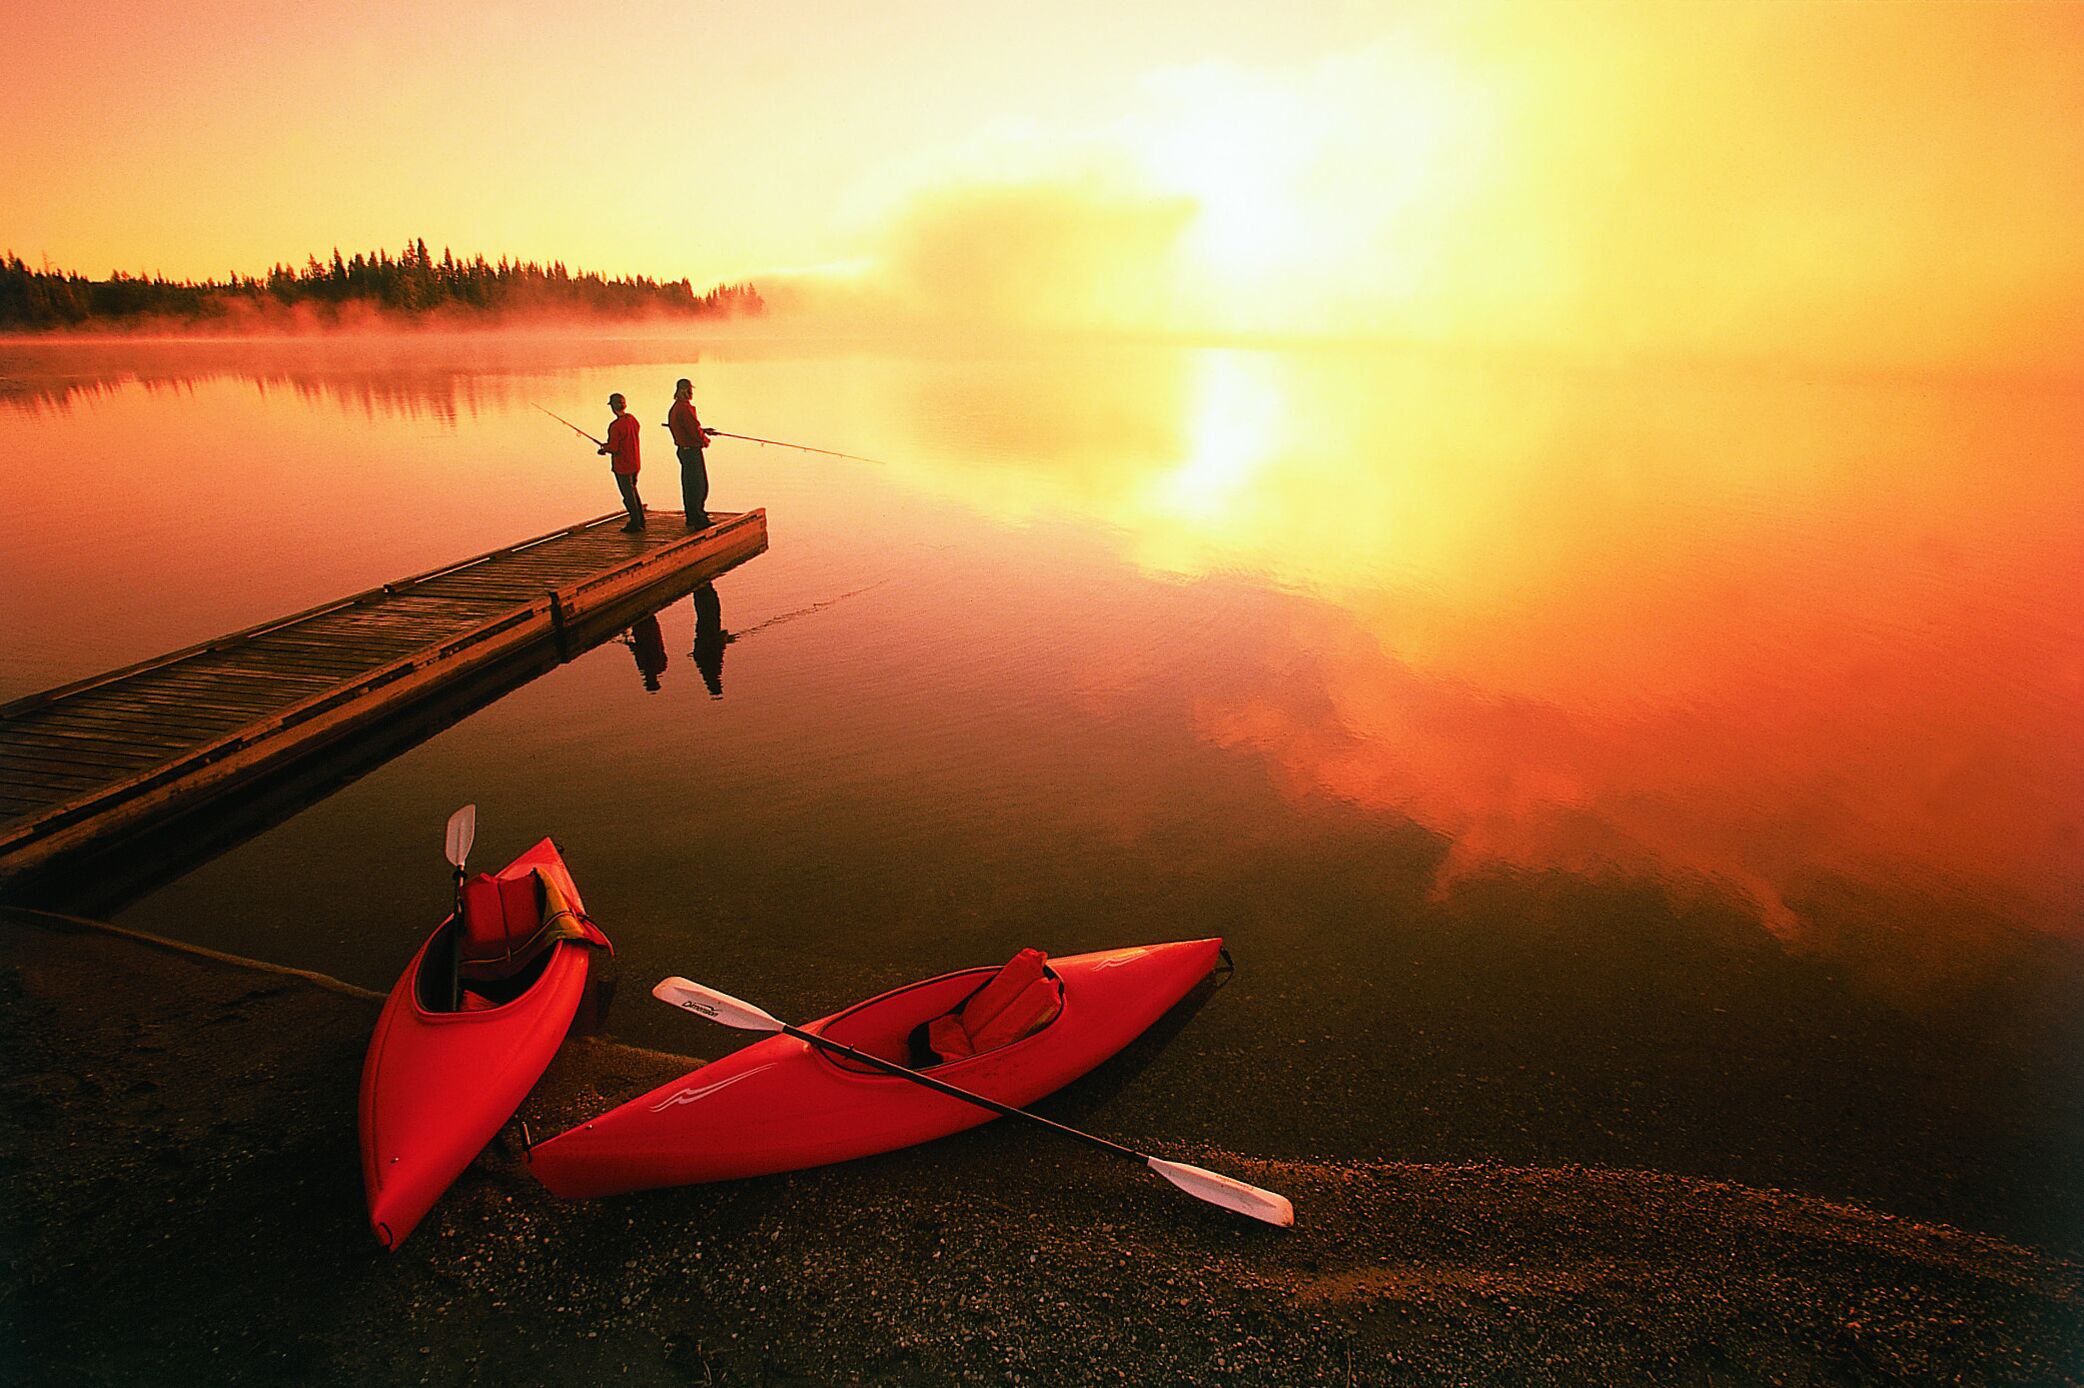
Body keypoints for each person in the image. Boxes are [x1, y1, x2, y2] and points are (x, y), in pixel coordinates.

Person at [662, 377, 713, 529]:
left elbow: (689, 427)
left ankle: (693, 515)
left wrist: (703, 431)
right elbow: (693, 431)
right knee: (698, 485)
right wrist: (705, 440)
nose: (691, 393)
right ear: (685, 390)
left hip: (684, 450)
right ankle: (697, 516)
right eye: (690, 390)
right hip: (691, 451)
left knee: (690, 485)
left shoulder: (676, 407)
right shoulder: (684, 408)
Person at [599, 393, 644, 531]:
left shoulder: (615, 426)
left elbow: (614, 447)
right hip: (635, 462)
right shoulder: (632, 420)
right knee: (633, 492)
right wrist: (609, 446)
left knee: (628, 495)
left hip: (622, 466)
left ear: (613, 407)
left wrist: (604, 449)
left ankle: (635, 524)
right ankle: (640, 520)